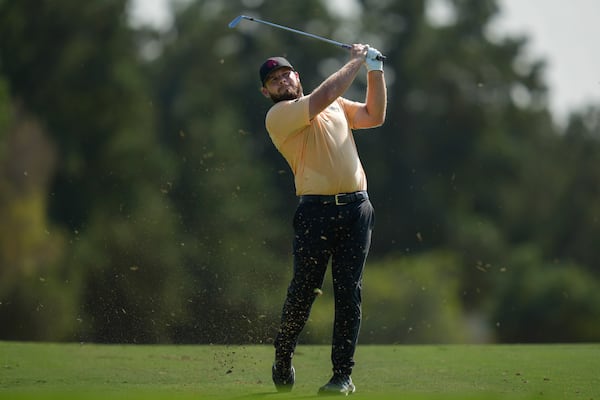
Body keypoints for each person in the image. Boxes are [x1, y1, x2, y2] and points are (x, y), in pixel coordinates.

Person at [258, 44, 387, 395]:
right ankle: (283, 356)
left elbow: (374, 115)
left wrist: (375, 71)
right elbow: (325, 94)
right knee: (303, 292)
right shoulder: (280, 116)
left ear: (297, 76)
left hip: (357, 209)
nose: (282, 80)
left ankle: (342, 376)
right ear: (266, 91)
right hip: (316, 211)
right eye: (274, 79)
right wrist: (357, 61)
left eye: (286, 73)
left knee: (349, 294)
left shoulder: (336, 107)